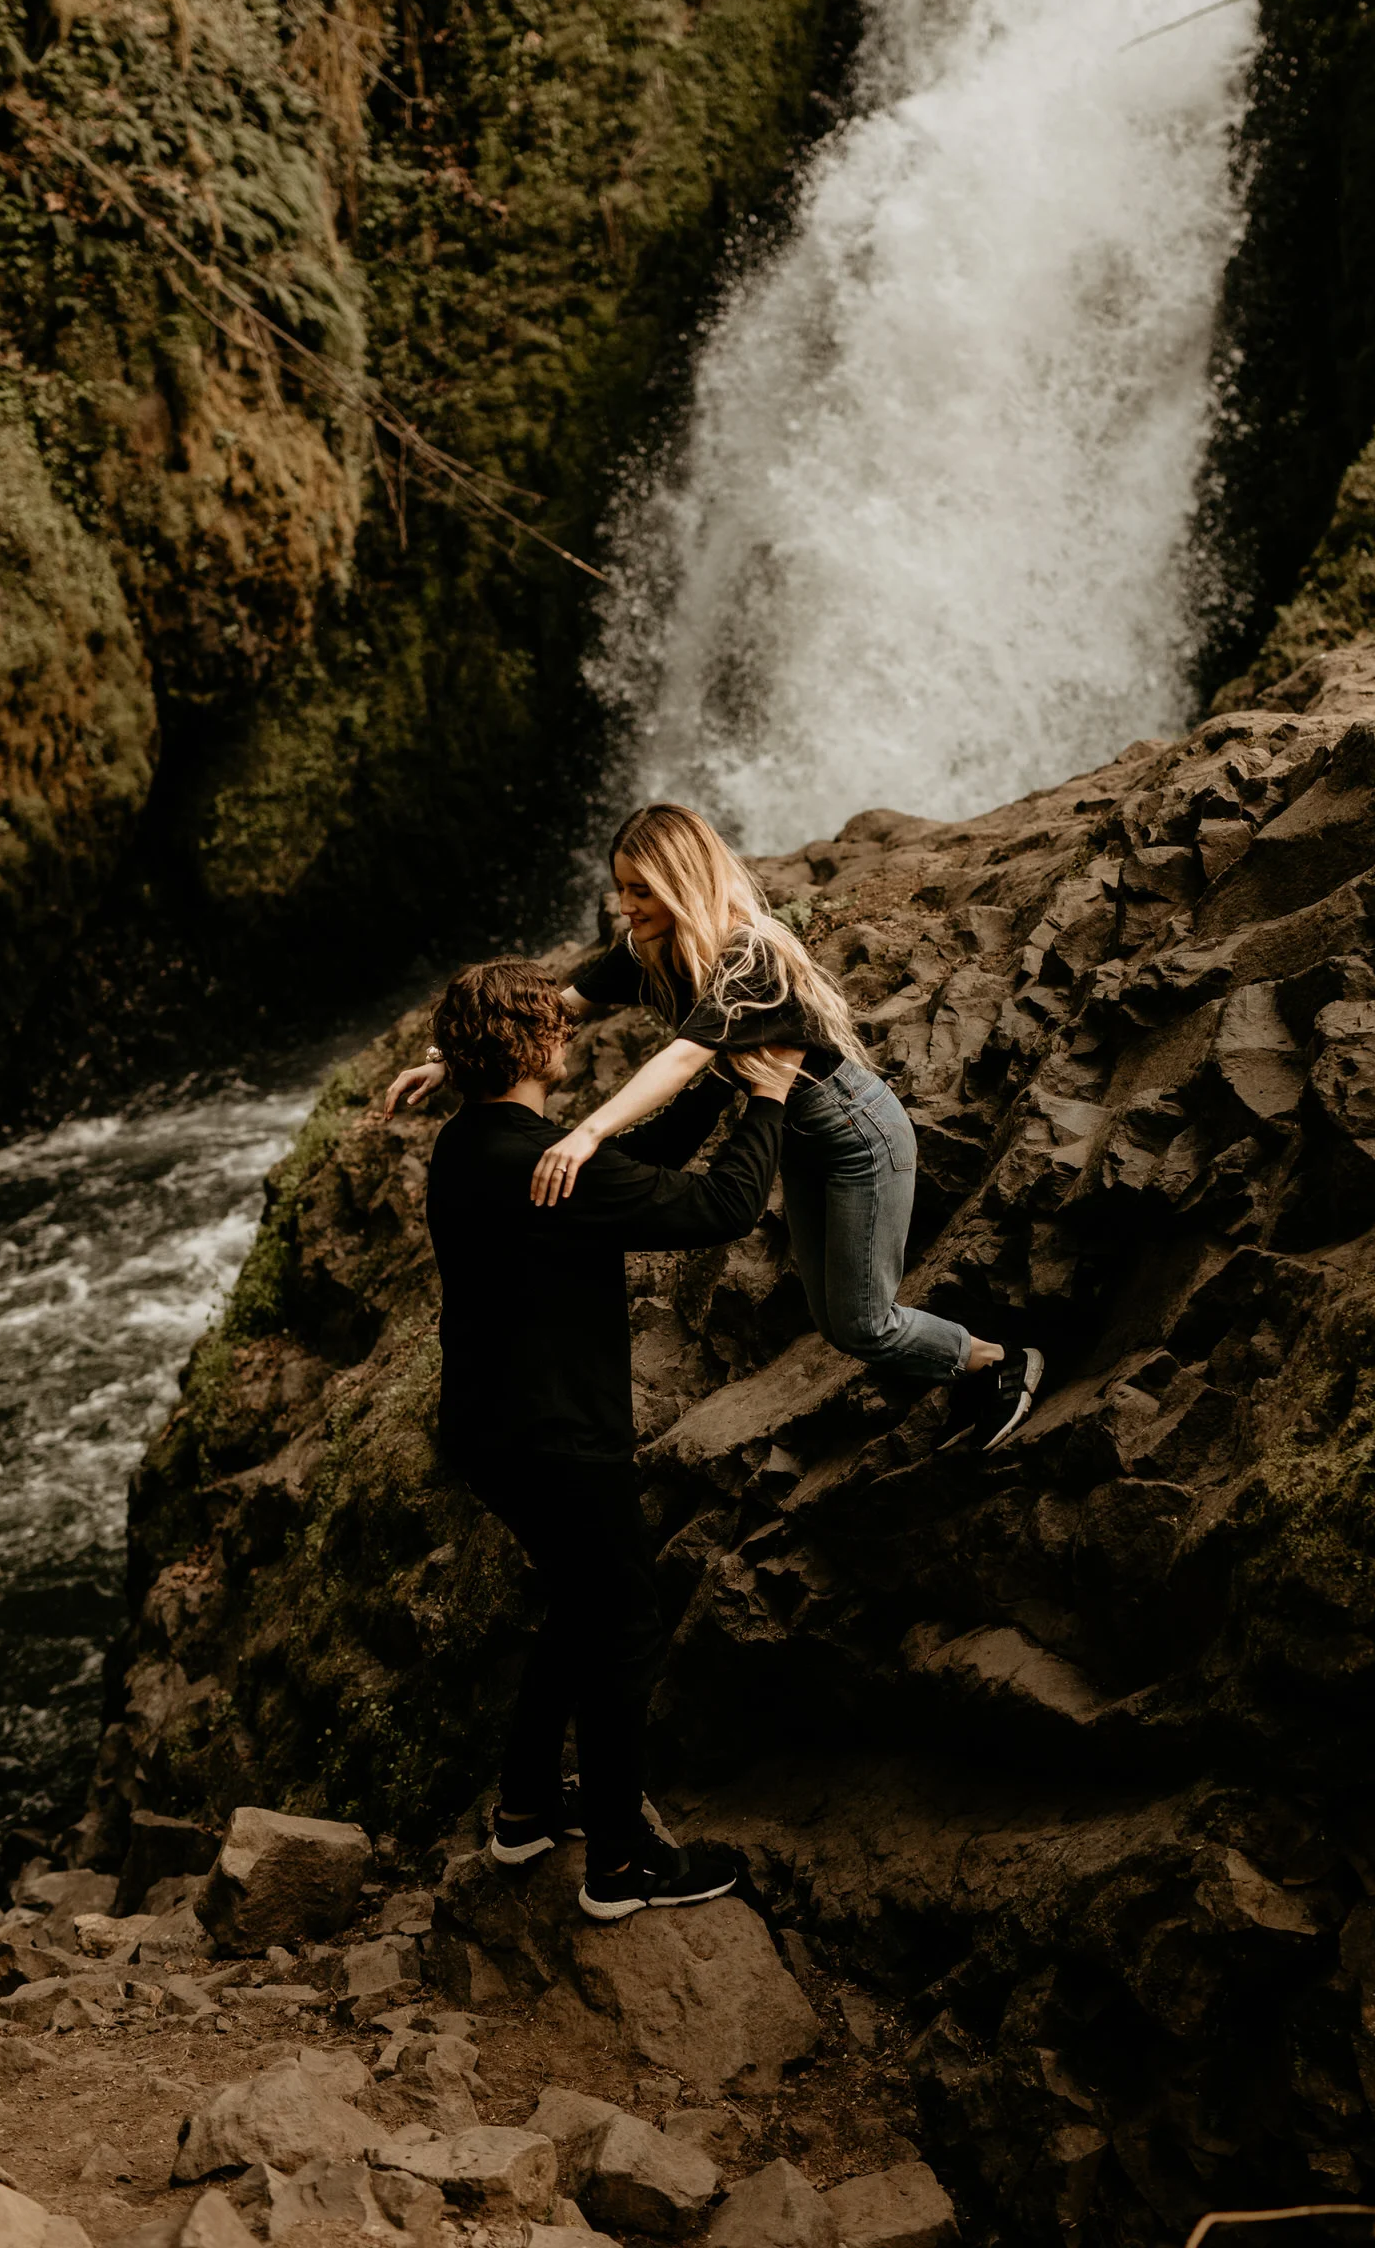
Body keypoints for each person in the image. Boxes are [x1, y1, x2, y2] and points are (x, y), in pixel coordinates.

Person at [390, 802, 1042, 1452]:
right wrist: (445, 1062)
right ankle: (963, 1368)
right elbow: (553, 1012)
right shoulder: (648, 949)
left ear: (682, 881)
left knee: (862, 1323)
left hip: (855, 1134)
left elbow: (683, 1059)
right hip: (797, 1135)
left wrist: (588, 1132)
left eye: (641, 890)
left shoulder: (749, 955)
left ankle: (1000, 1364)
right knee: (839, 1321)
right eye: (621, 888)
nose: (627, 905)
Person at [421, 954, 804, 1921]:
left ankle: (525, 1807)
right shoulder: (538, 1167)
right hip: (557, 1437)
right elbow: (719, 1208)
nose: (571, 1028)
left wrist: (715, 1080)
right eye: (558, 1019)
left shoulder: (473, 1143)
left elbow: (629, 1171)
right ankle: (623, 1865)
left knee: (577, 1602)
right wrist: (769, 1100)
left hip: (486, 1428)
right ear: (531, 1042)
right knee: (624, 1623)